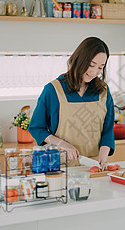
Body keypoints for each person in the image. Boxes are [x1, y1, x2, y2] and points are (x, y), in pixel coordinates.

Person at [28, 37, 115, 169]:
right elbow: (36, 127)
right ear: (79, 59)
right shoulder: (53, 90)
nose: (94, 72)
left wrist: (103, 154)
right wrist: (62, 144)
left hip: (93, 166)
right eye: (91, 65)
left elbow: (108, 129)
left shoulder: (103, 91)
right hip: (60, 166)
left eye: (100, 67)